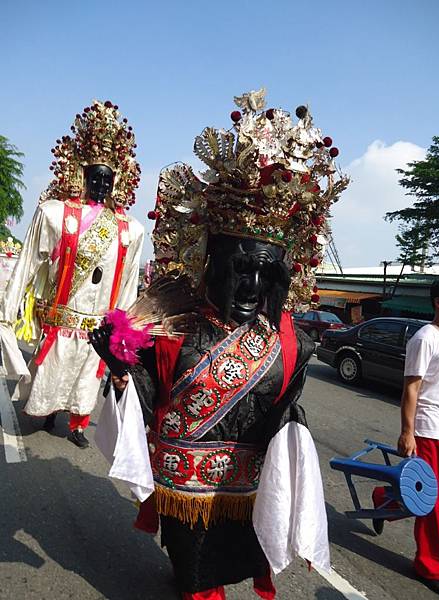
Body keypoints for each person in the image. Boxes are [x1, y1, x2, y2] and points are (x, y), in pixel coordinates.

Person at [91, 89, 349, 598]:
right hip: (183, 480)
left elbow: (283, 401)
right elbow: (144, 395)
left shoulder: (289, 337)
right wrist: (119, 371)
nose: (252, 288)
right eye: (240, 270)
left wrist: (291, 425)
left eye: (264, 274)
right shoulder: (173, 322)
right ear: (212, 265)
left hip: (247, 485)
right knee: (195, 576)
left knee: (233, 560)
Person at [0, 100, 144, 449]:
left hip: (95, 323)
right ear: (82, 176)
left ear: (117, 182)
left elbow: (127, 286)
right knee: (54, 369)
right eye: (95, 177)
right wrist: (7, 311)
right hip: (62, 314)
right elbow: (28, 263)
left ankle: (78, 425)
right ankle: (48, 412)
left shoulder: (130, 230)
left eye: (107, 180)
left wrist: (121, 336)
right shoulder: (55, 214)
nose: (100, 185)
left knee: (86, 377)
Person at [396, 276, 439, 598]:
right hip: (431, 430)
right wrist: (407, 432)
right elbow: (411, 388)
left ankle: (384, 496)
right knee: (437, 503)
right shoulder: (425, 338)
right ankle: (431, 566)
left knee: (430, 496)